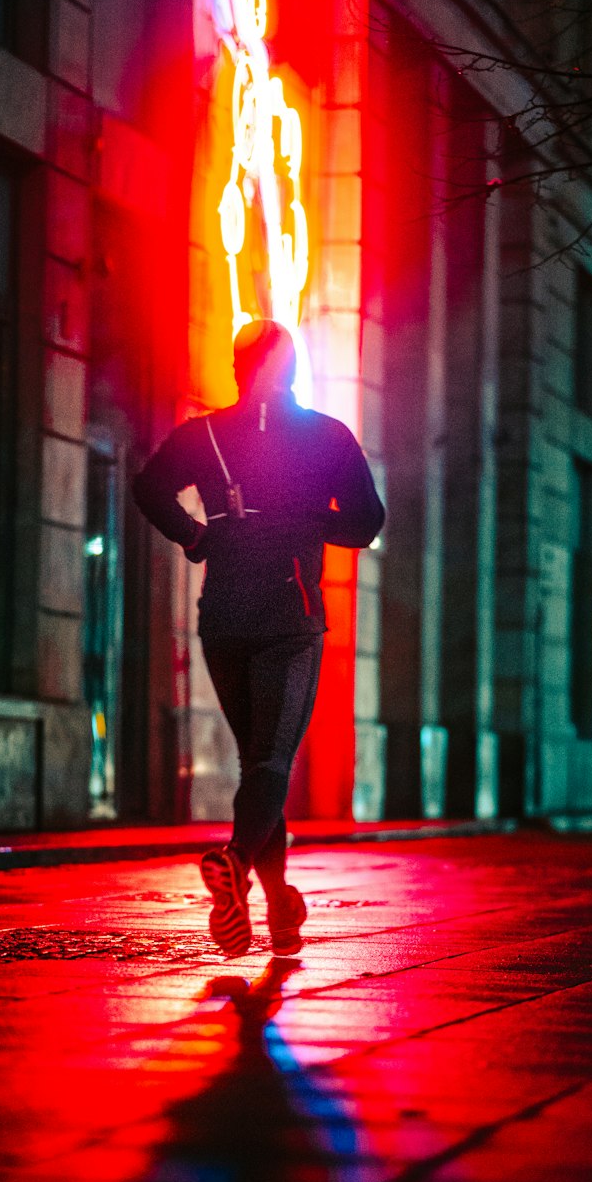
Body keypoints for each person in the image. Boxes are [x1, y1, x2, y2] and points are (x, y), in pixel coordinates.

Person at [132, 319, 385, 957]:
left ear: (238, 368)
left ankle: (278, 911)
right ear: (292, 369)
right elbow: (365, 523)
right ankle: (236, 863)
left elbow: (147, 487)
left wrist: (198, 535)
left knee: (258, 767)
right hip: (290, 619)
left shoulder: (204, 434)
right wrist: (311, 518)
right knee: (272, 763)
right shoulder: (327, 436)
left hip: (222, 617)